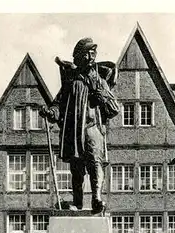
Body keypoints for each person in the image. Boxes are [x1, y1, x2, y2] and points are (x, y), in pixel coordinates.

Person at [40, 37, 119, 214]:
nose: (92, 57)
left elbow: (114, 108)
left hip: (92, 129)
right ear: (80, 56)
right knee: (76, 169)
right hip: (74, 131)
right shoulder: (71, 81)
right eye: (88, 53)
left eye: (94, 54)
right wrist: (50, 112)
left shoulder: (98, 80)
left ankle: (97, 198)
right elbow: (59, 104)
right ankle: (78, 202)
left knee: (95, 164)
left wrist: (100, 94)